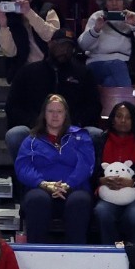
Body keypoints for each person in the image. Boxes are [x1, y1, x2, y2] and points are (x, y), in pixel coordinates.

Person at [15, 95, 96, 246]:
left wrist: (68, 184)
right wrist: (44, 184)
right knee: (36, 200)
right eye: (50, 111)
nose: (55, 115)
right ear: (44, 114)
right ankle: (36, 252)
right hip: (42, 188)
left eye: (59, 111)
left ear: (66, 114)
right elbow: (23, 167)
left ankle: (77, 254)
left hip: (74, 188)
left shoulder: (80, 136)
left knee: (80, 201)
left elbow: (86, 164)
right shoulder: (31, 139)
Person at [6, 31, 100, 147]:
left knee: (95, 134)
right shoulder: (28, 72)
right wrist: (35, 122)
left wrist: (73, 123)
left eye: (69, 47)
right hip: (36, 129)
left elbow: (94, 106)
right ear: (50, 44)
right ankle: (25, 165)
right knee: (15, 134)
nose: (65, 50)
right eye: (61, 45)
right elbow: (12, 106)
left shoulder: (83, 73)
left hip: (72, 130)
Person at [93, 101, 135, 245]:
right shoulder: (100, 141)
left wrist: (133, 182)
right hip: (107, 195)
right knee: (102, 212)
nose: (123, 120)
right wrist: (102, 180)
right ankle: (110, 254)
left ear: (134, 120)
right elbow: (91, 172)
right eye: (119, 116)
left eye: (128, 117)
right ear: (112, 120)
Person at [76, 0, 135, 88]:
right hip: (97, 64)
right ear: (105, 3)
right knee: (117, 64)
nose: (114, 3)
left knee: (111, 82)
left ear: (124, 2)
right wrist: (96, 29)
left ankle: (114, 102)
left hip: (125, 65)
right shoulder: (97, 16)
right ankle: (127, 101)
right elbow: (83, 45)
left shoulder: (131, 16)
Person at [0, 0, 61, 79]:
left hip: (49, 65)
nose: (17, 0)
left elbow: (51, 36)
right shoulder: (10, 19)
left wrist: (29, 13)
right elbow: (10, 52)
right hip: (25, 70)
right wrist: (3, 26)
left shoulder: (47, 11)